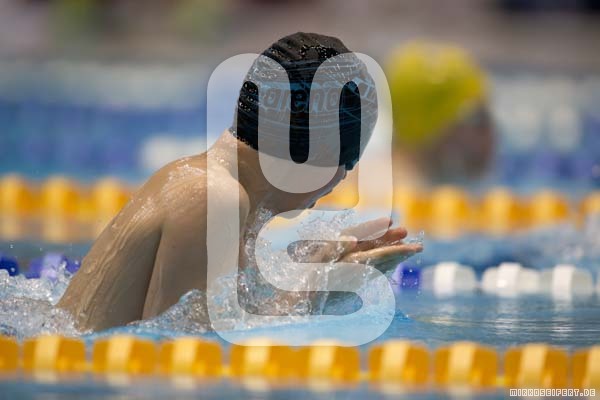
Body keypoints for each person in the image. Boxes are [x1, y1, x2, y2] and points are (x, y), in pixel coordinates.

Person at [58, 32, 422, 332]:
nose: (340, 181)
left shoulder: (218, 188)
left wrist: (320, 267)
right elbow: (181, 355)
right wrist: (318, 290)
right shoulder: (212, 196)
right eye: (347, 162)